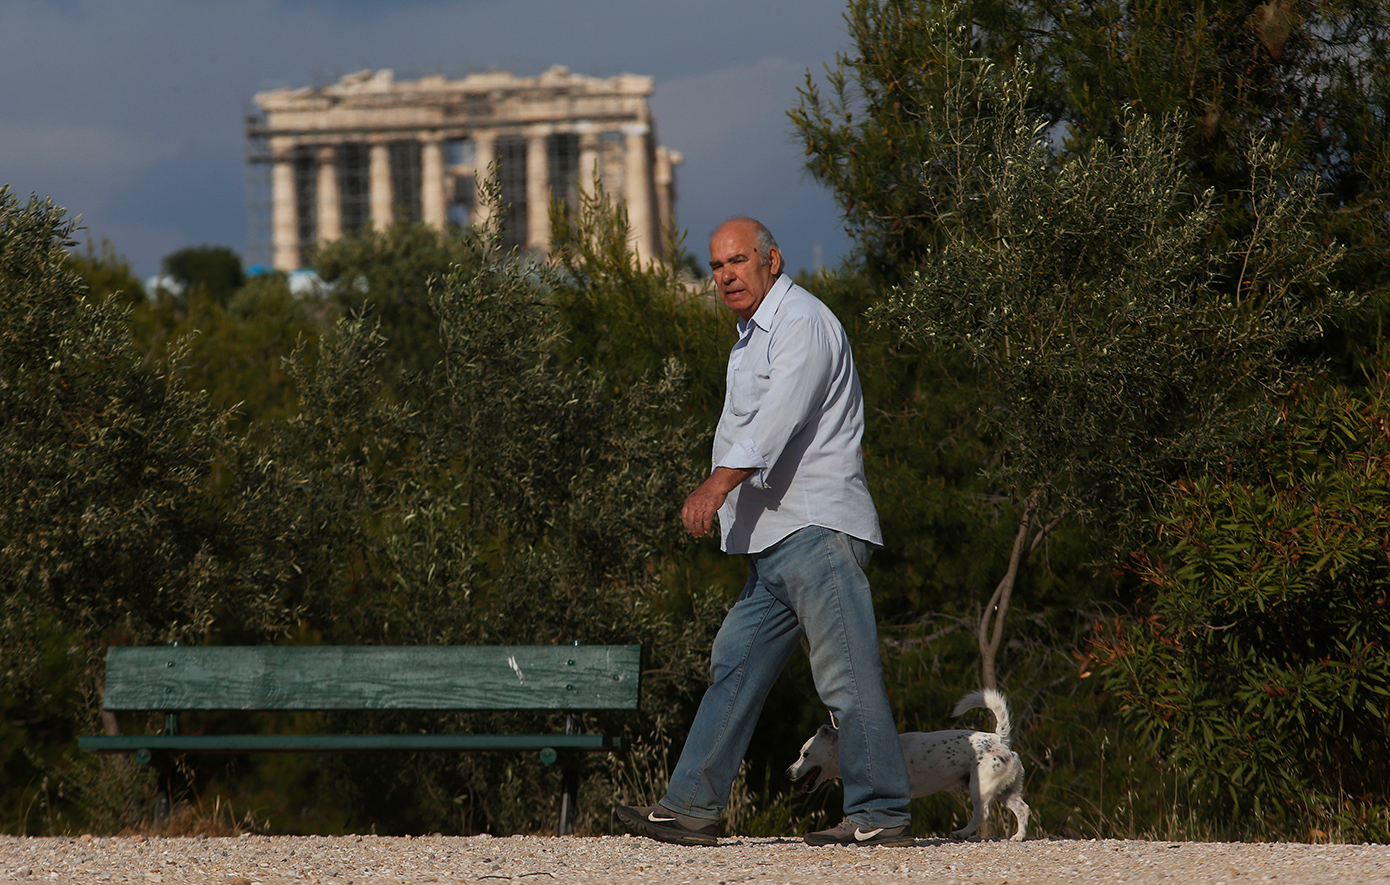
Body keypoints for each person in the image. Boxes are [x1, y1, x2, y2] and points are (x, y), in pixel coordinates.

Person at [616, 218, 913, 847]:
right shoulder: (753, 335)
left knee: (845, 675)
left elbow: (775, 423)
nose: (726, 275)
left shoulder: (801, 323)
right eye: (716, 266)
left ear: (771, 260)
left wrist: (714, 487)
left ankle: (881, 812)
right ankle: (690, 807)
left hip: (815, 529)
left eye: (738, 261)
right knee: (735, 663)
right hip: (775, 541)